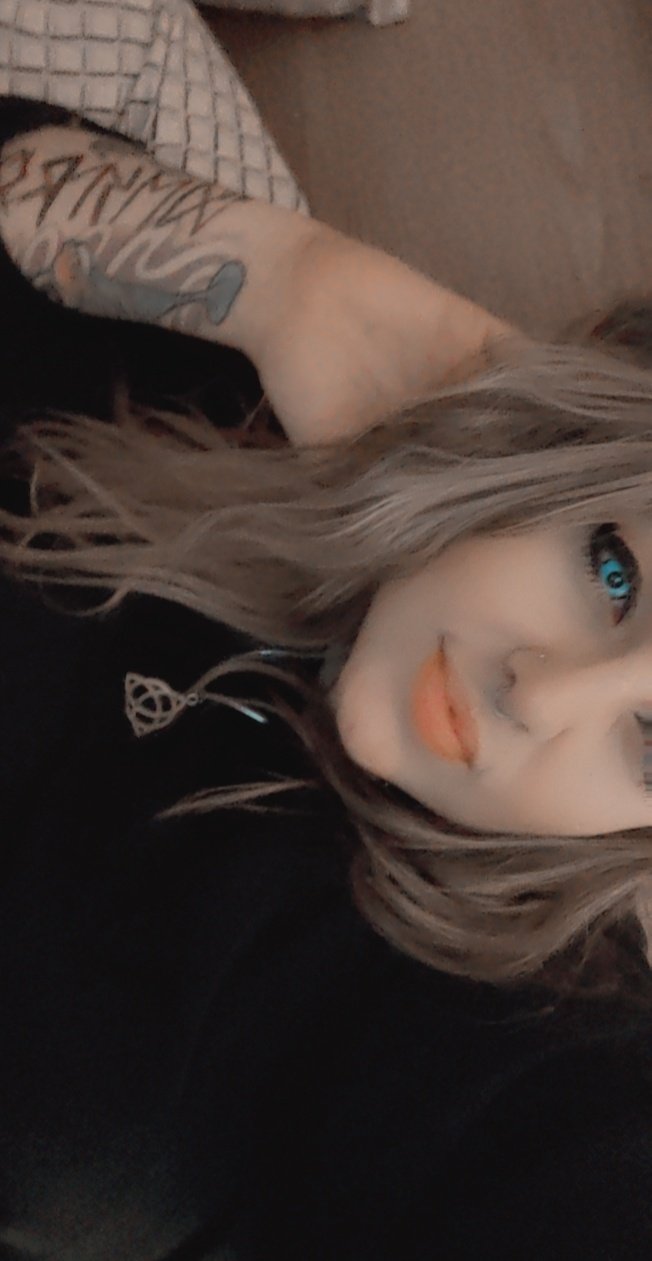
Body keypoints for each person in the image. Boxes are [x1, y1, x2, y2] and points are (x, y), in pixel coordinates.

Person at [0, 93, 652, 1261]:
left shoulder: (505, 1023)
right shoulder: (237, 398)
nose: (540, 694)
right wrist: (291, 276)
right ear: (564, 462)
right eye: (612, 573)